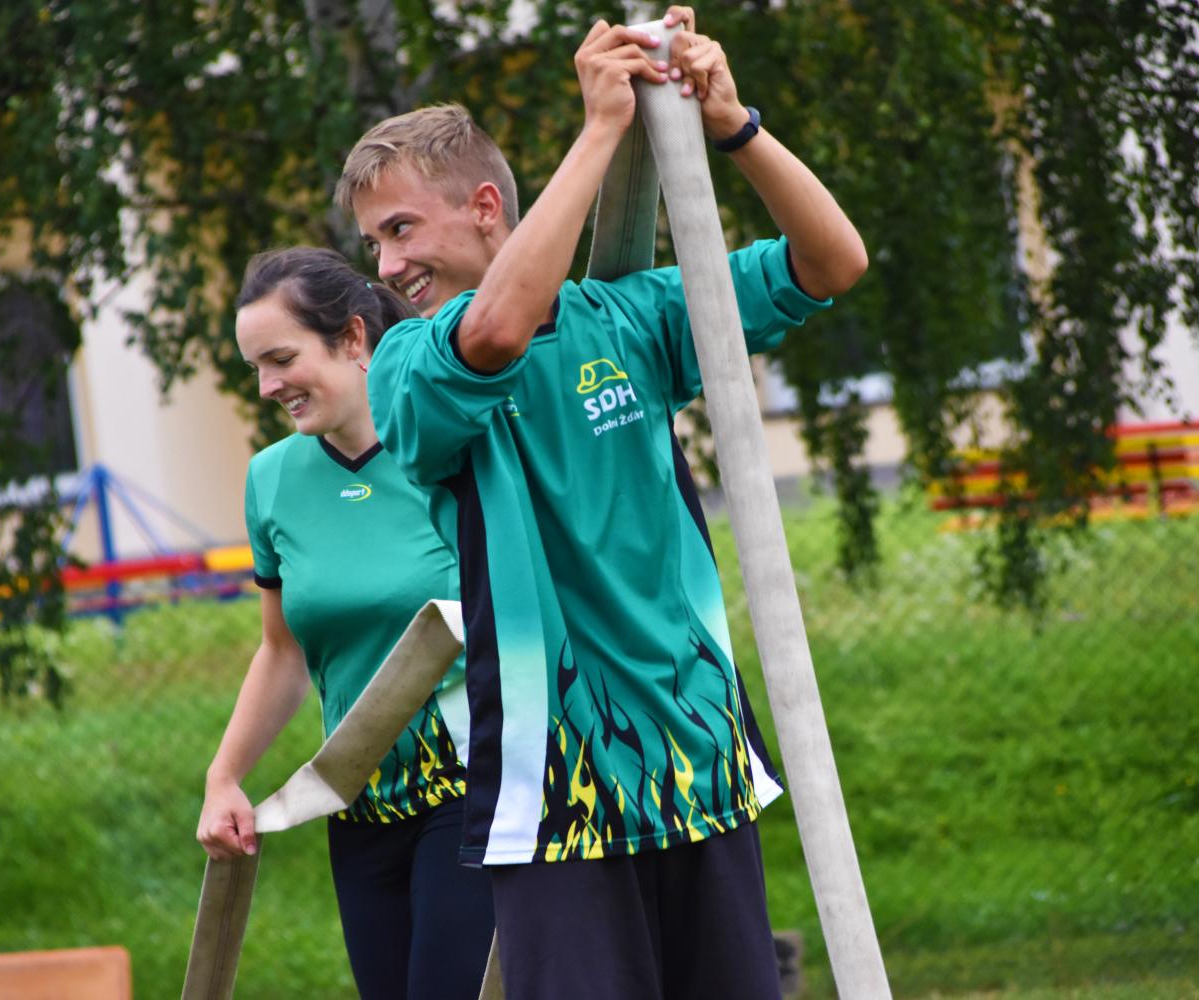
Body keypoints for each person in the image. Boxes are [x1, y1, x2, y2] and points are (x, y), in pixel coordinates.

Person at [337, 8, 868, 998]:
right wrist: (601, 131)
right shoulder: (407, 361)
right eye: (373, 242)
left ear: (484, 206)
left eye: (399, 229)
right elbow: (497, 333)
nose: (386, 265)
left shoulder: (631, 317)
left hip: (700, 758)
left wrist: (733, 125)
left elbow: (833, 262)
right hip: (558, 791)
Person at [195, 247, 495, 1000]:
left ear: (354, 338)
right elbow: (282, 652)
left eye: (281, 359)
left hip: (474, 789)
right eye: (255, 368)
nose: (267, 387)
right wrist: (224, 778)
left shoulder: (453, 446)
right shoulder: (271, 480)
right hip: (357, 806)